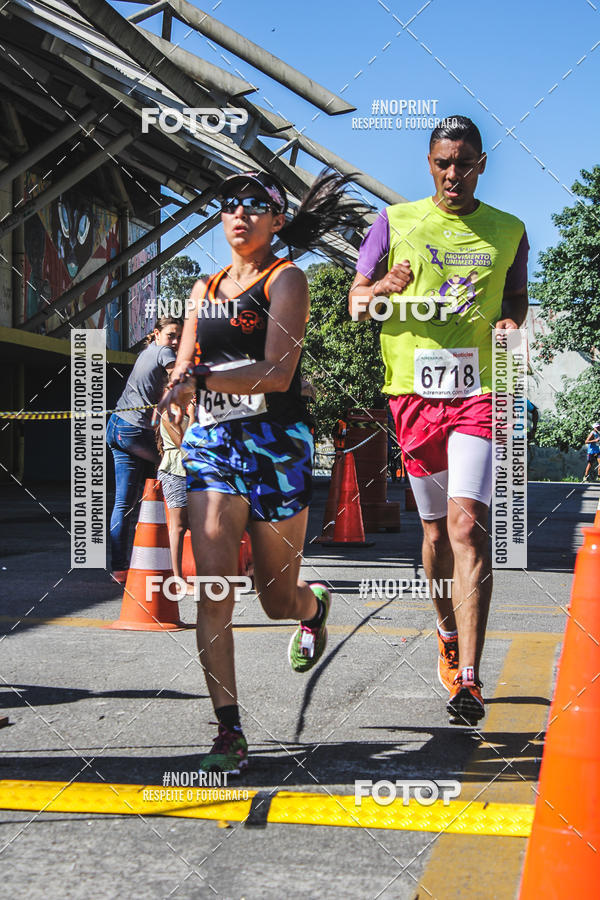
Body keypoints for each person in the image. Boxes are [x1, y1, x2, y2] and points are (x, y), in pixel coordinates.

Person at [160, 169, 365, 774]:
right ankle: (229, 730)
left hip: (278, 448)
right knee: (215, 588)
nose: (240, 214)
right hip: (215, 447)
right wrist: (173, 395)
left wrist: (200, 380)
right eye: (230, 205)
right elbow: (183, 365)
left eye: (256, 205)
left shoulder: (288, 279)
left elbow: (277, 373)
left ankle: (311, 608)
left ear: (277, 220)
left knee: (275, 598)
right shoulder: (203, 289)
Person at [349, 115, 529, 725]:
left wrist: (510, 325)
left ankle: (472, 679)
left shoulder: (510, 230)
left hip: (481, 390)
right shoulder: (394, 222)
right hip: (413, 392)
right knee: (432, 535)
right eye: (443, 162)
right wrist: (385, 288)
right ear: (430, 164)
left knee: (467, 529)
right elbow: (357, 302)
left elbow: (515, 300)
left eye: (465, 162)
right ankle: (446, 632)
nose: (454, 173)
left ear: (482, 164)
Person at [106, 316, 182, 581]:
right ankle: (169, 552)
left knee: (124, 501)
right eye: (171, 334)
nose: (175, 341)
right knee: (173, 469)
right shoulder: (164, 352)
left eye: (179, 337)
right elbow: (177, 376)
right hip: (133, 431)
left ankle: (119, 568)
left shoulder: (147, 352)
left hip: (116, 426)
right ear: (157, 333)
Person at [157, 400, 194, 584]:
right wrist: (194, 416)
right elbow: (186, 445)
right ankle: (177, 580)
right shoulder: (169, 414)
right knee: (178, 526)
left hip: (192, 472)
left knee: (196, 525)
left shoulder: (188, 411)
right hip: (175, 471)